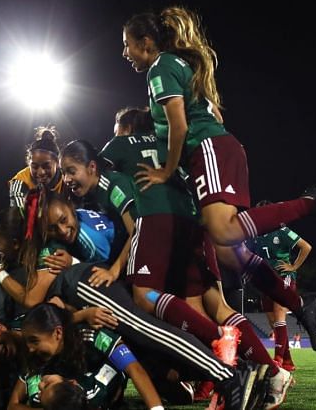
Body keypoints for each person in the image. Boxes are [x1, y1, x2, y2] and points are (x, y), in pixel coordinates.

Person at [122, 8, 316, 347]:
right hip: (216, 152)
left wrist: (166, 171)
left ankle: (310, 202)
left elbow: (180, 125)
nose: (125, 53)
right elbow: (211, 112)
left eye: (127, 45)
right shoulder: (178, 67)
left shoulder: (160, 67)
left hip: (209, 151)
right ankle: (300, 305)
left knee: (224, 230)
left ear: (145, 43)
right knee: (232, 253)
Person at [71, 134, 292, 408]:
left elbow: (134, 225)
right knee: (213, 307)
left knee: (146, 297)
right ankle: (267, 371)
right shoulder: (167, 144)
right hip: (194, 223)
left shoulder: (115, 165)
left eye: (71, 170)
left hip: (161, 224)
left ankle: (222, 361)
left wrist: (115, 269)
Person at [8, 303, 162, 410]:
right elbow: (13, 405)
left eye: (34, 341)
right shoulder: (36, 360)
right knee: (42, 397)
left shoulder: (92, 335)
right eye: (27, 342)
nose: (30, 348)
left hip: (103, 389)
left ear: (58, 333)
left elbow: (133, 368)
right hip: (73, 396)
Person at [245, 201, 313, 372]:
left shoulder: (282, 231)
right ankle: (288, 361)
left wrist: (294, 266)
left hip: (283, 277)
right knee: (273, 322)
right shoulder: (255, 235)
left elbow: (306, 247)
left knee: (279, 315)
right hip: (265, 280)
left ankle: (278, 360)